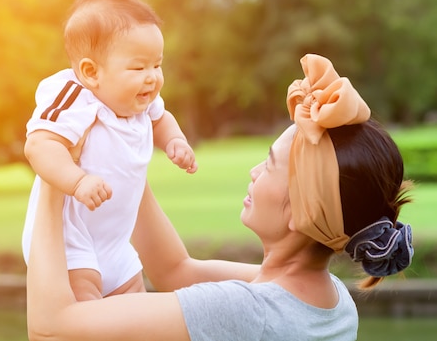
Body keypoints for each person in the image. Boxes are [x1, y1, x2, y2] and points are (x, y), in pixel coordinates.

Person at [26, 53, 414, 341]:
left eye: (269, 164)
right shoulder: (332, 303)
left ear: (306, 211)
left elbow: (53, 326)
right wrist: (124, 149)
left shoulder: (245, 311)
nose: (254, 172)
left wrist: (54, 178)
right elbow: (175, 271)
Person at [22, 0, 198, 301]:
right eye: (138, 68)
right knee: (92, 323)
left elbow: (161, 119)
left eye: (157, 64)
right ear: (91, 72)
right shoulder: (75, 96)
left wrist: (175, 141)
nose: (152, 77)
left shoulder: (138, 103)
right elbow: (40, 145)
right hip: (71, 242)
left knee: (134, 319)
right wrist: (77, 182)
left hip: (116, 243)